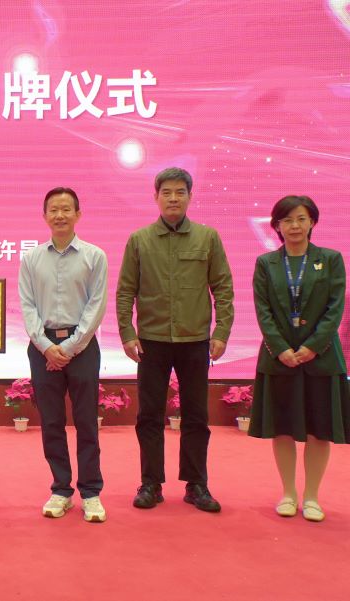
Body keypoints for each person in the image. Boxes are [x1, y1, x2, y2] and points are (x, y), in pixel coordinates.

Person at [116, 167, 234, 513]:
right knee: (149, 416)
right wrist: (127, 333)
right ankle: (150, 483)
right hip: (151, 341)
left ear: (190, 197)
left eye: (180, 192)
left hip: (195, 340)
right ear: (155, 197)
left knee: (196, 415)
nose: (173, 198)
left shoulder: (207, 238)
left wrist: (222, 332)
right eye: (166, 192)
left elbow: (223, 288)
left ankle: (197, 485)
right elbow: (125, 291)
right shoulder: (139, 240)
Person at [248, 195, 350, 522]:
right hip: (280, 359)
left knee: (320, 430)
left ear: (312, 222)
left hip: (321, 359)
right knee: (283, 429)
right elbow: (263, 310)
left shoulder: (330, 259)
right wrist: (280, 348)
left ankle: (312, 497)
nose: (294, 226)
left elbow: (335, 308)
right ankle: (289, 493)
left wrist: (313, 346)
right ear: (277, 225)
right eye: (287, 220)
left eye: (301, 219)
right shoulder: (266, 263)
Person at [18, 187, 108, 521]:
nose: (60, 215)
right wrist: (46, 346)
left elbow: (96, 306)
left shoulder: (94, 256)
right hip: (43, 348)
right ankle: (60, 490)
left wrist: (69, 348)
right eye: (53, 210)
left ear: (78, 214)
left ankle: (91, 492)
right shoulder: (31, 259)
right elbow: (27, 306)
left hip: (82, 348)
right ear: (44, 216)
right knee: (52, 422)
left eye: (66, 209)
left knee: (86, 422)